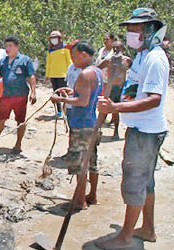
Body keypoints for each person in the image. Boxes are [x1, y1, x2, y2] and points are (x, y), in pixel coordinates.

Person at [96, 8, 169, 250]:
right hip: (141, 128)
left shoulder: (155, 59)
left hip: (146, 132)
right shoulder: (141, 55)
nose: (130, 34)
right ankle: (147, 229)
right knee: (146, 182)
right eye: (128, 30)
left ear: (149, 31)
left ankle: (125, 237)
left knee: (135, 182)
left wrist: (115, 108)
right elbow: (134, 87)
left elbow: (153, 98)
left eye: (135, 30)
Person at [51, 40, 102, 210]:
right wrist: (72, 92)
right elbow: (86, 94)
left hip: (81, 124)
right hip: (92, 123)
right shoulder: (97, 72)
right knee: (92, 161)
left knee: (79, 163)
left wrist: (61, 99)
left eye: (74, 55)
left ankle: (80, 201)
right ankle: (92, 195)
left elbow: (82, 101)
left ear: (84, 55)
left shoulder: (84, 74)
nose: (72, 59)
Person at [0, 36, 37, 154]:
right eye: (6, 46)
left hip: (20, 95)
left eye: (10, 46)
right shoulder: (3, 61)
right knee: (0, 119)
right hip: (6, 94)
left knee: (20, 120)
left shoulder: (25, 60)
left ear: (16, 47)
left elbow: (31, 76)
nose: (8, 49)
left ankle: (18, 144)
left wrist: (33, 92)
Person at [45, 30, 72, 117]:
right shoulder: (50, 50)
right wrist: (47, 75)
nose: (54, 40)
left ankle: (66, 111)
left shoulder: (65, 48)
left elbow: (69, 61)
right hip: (53, 74)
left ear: (59, 39)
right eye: (52, 38)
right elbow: (48, 63)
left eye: (55, 38)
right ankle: (59, 111)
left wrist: (70, 72)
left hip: (63, 74)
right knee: (55, 93)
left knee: (64, 94)